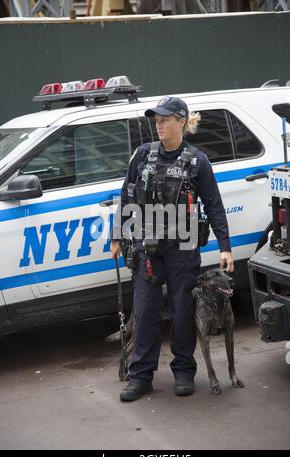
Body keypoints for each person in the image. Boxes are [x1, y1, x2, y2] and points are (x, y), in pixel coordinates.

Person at [111, 96, 233, 401]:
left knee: (181, 311)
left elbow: (214, 206)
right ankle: (140, 377)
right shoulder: (142, 155)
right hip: (146, 248)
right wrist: (117, 236)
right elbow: (127, 197)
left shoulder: (197, 161)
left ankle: (183, 372)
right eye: (157, 120)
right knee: (146, 311)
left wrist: (225, 247)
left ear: (181, 121)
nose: (159, 125)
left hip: (183, 247)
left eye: (165, 119)